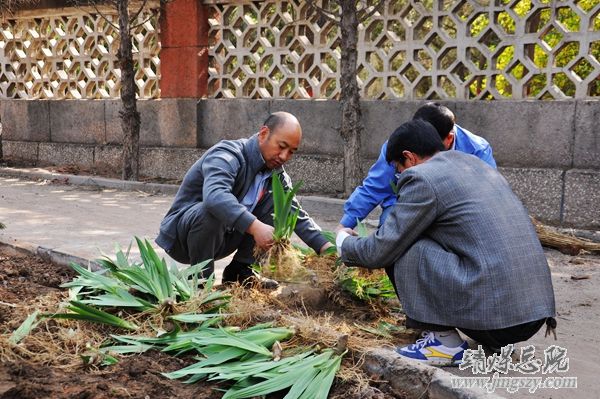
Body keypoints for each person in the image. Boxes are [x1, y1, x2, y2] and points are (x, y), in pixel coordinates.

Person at [335, 119, 555, 366]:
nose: (399, 175)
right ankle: (493, 342)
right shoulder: (475, 165)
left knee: (404, 247)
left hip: (497, 319)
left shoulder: (422, 177)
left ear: (409, 157)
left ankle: (443, 343)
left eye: (398, 167)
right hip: (531, 315)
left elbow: (382, 249)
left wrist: (344, 244)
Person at [156, 112, 331, 288]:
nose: (284, 156)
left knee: (279, 205)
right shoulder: (227, 155)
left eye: (291, 152)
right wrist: (255, 227)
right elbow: (215, 196)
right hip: (183, 237)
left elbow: (296, 213)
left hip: (225, 237)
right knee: (210, 211)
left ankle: (241, 272)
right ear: (263, 134)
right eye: (281, 146)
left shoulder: (277, 174)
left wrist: (328, 249)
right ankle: (201, 283)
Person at [339, 102, 496, 229]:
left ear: (449, 139)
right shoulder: (400, 144)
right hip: (404, 204)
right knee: (391, 229)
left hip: (454, 211)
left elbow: (488, 197)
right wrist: (344, 227)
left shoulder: (477, 151)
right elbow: (374, 187)